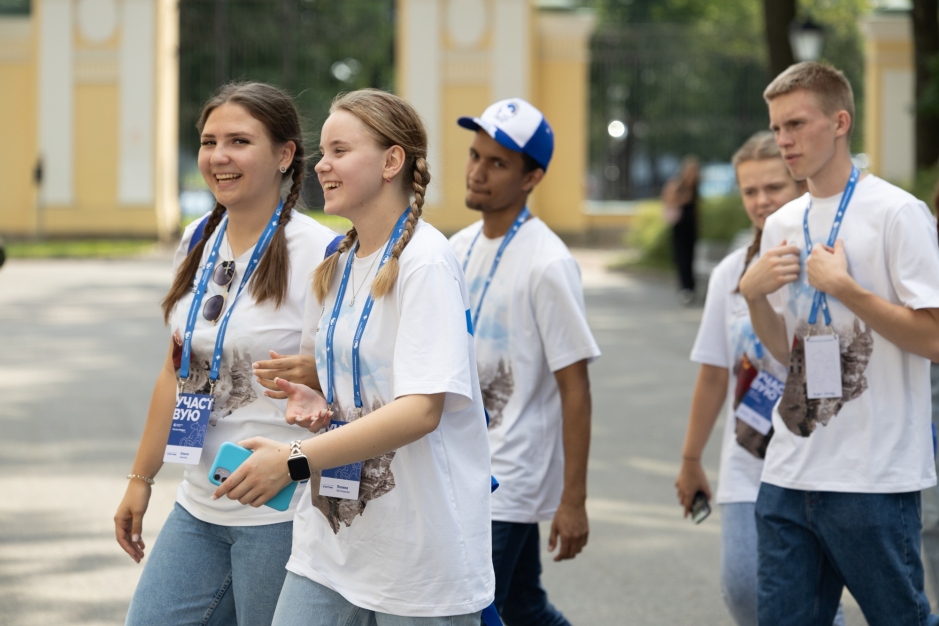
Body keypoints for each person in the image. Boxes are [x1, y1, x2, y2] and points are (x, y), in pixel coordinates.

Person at [214, 88, 494, 625]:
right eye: (323, 152)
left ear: (392, 162)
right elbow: (359, 382)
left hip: (418, 561)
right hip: (331, 544)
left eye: (340, 151)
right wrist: (313, 393)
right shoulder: (337, 260)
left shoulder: (426, 262)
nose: (321, 165)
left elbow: (421, 410)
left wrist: (293, 458)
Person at [115, 82, 338, 624]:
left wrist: (316, 375)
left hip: (280, 511)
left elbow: (357, 384)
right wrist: (140, 480)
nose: (219, 156)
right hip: (198, 502)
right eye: (209, 141)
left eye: (239, 141)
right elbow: (175, 371)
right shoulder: (198, 238)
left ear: (284, 155)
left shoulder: (321, 251)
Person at [739, 62, 939, 625]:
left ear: (840, 122)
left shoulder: (899, 214)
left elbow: (934, 339)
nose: (783, 140)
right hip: (788, 473)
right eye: (776, 127)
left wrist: (846, 289)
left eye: (796, 124)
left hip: (873, 478)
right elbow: (788, 354)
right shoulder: (782, 224)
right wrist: (753, 297)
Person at [675, 131, 846, 625]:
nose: (761, 200)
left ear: (800, 184)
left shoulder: (828, 266)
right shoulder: (731, 273)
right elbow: (714, 373)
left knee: (811, 603)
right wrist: (691, 459)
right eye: (749, 190)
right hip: (750, 460)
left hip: (824, 458)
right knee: (744, 590)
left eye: (773, 187)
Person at [448, 98, 601, 625]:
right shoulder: (457, 247)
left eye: (497, 163)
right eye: (475, 155)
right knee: (523, 606)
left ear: (532, 177)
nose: (477, 172)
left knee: (464, 612)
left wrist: (573, 500)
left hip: (508, 476)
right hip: (458, 465)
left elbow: (575, 388)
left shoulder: (548, 263)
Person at [662, 156, 701, 304]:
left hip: (692, 227)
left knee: (691, 258)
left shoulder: (695, 186)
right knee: (681, 258)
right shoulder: (678, 184)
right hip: (679, 227)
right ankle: (684, 288)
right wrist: (684, 198)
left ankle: (691, 288)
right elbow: (668, 199)